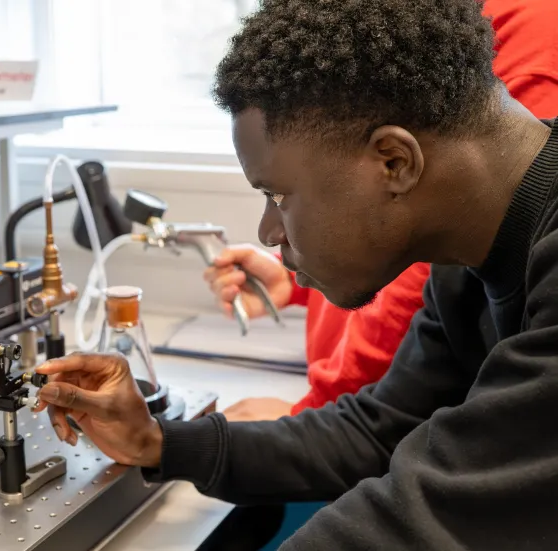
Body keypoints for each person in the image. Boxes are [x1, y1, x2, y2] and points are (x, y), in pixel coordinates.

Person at [33, 0, 558, 548]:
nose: (268, 231)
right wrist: (157, 441)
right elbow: (377, 431)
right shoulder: (466, 260)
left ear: (394, 161)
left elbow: (425, 519)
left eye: (278, 195)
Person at [204, 245, 430, 421]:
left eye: (284, 197)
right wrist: (291, 279)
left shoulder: (423, 252)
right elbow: (363, 262)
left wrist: (308, 413)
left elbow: (362, 407)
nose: (269, 233)